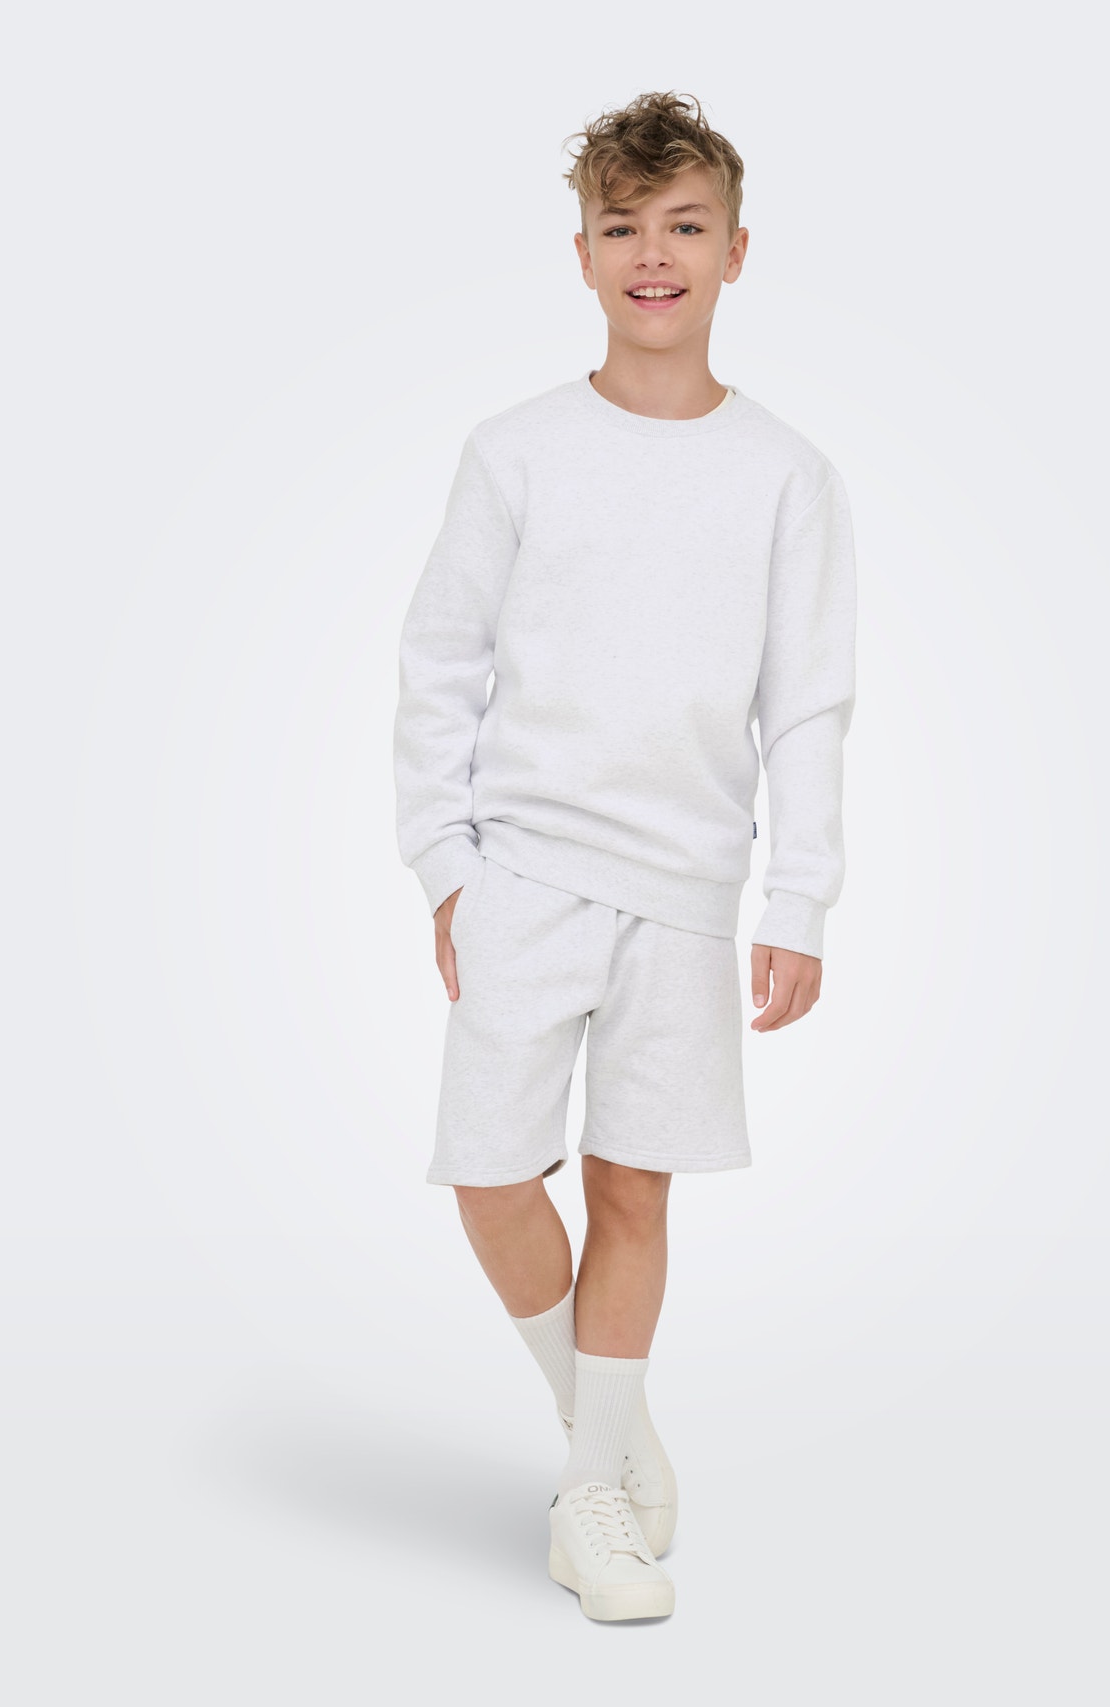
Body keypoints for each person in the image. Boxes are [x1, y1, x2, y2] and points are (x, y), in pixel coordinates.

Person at [391, 89, 857, 1623]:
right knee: (488, 1175)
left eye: (685, 227)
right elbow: (441, 661)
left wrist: (799, 898)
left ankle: (584, 1497)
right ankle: (605, 1439)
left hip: (684, 890)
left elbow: (808, 702)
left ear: (736, 251)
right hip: (524, 870)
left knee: (633, 1190)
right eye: (623, 227)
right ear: (583, 253)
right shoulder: (517, 451)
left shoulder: (785, 474)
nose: (654, 254)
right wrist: (447, 864)